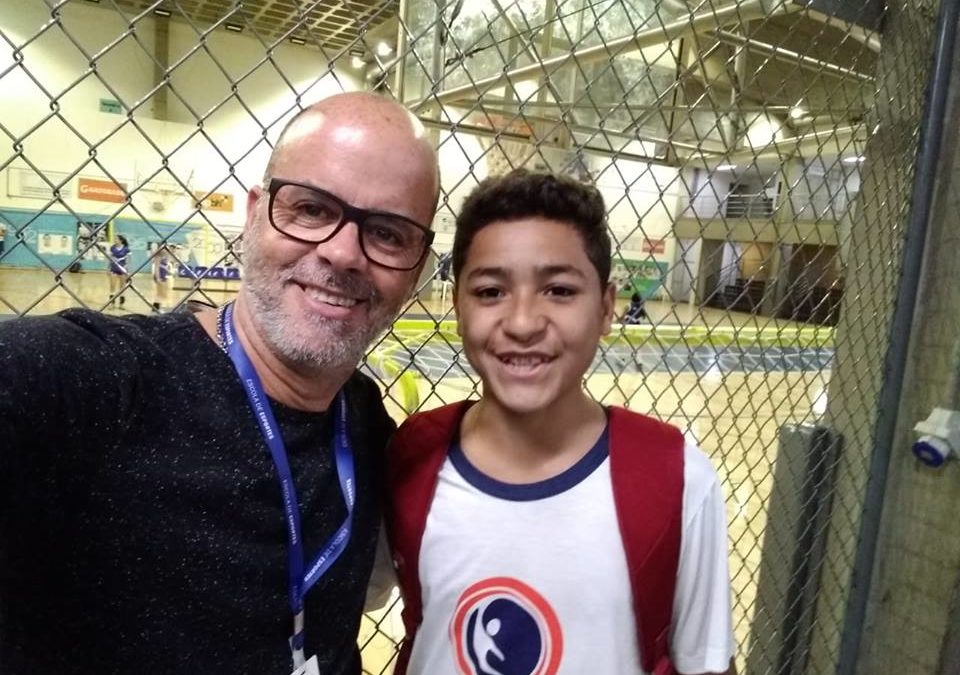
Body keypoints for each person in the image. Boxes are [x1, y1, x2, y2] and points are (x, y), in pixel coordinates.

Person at [0, 92, 440, 675]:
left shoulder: (365, 421)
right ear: (254, 213)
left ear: (418, 264)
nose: (342, 253)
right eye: (310, 209)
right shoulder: (95, 383)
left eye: (388, 233)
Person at [385, 170, 735, 675]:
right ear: (457, 307)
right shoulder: (409, 458)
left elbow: (707, 664)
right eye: (489, 292)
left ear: (607, 308)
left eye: (559, 290)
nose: (523, 322)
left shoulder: (678, 478)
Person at [108, 233, 131, 306]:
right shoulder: (112, 248)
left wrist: (127, 270)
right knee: (112, 286)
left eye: (116, 239)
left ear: (121, 240)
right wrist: (108, 268)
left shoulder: (126, 249)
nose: (115, 240)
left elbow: (129, 260)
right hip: (114, 268)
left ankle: (121, 304)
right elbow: (110, 258)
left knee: (122, 287)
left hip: (122, 270)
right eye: (114, 239)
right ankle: (112, 303)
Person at [151, 245, 172, 312]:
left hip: (164, 275)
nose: (165, 249)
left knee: (162, 293)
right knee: (159, 293)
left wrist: (169, 272)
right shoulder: (158, 256)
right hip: (159, 276)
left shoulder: (166, 256)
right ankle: (156, 308)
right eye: (163, 248)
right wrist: (158, 278)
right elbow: (156, 268)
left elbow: (165, 266)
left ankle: (158, 306)